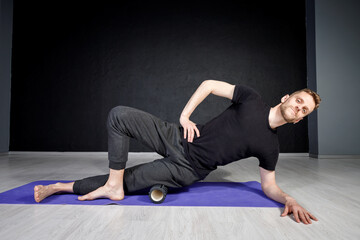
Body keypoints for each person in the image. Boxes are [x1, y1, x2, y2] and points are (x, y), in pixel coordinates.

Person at [34, 80, 321, 224]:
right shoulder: (252, 99)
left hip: (187, 170)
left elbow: (269, 185)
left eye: (303, 110)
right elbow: (209, 84)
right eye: (298, 100)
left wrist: (288, 197)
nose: (298, 107)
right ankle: (112, 185)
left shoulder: (271, 147)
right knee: (119, 115)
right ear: (287, 98)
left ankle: (61, 187)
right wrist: (185, 117)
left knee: (130, 181)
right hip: (178, 136)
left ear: (298, 119)